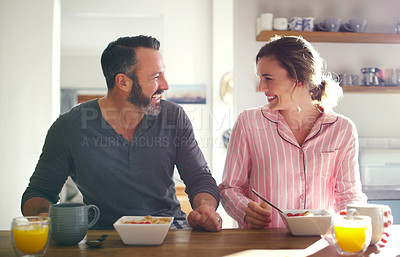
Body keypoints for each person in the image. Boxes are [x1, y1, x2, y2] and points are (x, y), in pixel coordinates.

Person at [21, 35, 222, 231]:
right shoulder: (68, 127)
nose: (165, 85)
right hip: (103, 236)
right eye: (156, 77)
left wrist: (205, 208)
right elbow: (38, 193)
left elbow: (199, 178)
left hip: (170, 229)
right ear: (123, 82)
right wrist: (44, 215)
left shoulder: (173, 116)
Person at [219, 35, 368, 229]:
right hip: (261, 243)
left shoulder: (342, 129)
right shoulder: (248, 122)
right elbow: (230, 187)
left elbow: (349, 195)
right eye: (260, 78)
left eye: (268, 79)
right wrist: (245, 209)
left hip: (318, 242)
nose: (261, 87)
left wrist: (364, 221)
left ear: (299, 78)